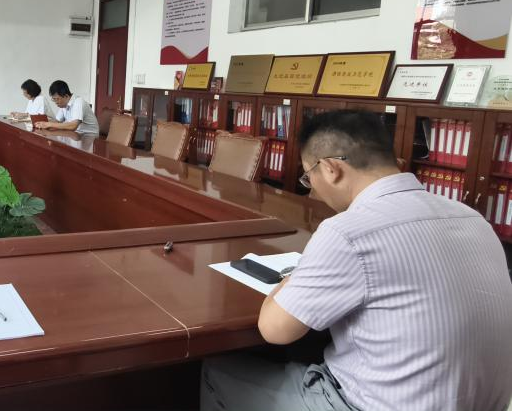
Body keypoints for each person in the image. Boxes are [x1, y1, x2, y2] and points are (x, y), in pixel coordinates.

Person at [201, 110, 512, 411]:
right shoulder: (472, 218)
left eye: (309, 177)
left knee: (216, 370)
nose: (313, 187)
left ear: (330, 169)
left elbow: (274, 330)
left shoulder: (348, 231)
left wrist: (292, 277)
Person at [34, 80, 99, 135]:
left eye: (57, 99)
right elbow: (57, 121)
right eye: (53, 99)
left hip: (89, 137)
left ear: (66, 96)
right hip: (75, 135)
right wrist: (43, 121)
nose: (55, 102)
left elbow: (73, 126)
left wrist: (49, 124)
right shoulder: (63, 105)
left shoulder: (79, 102)